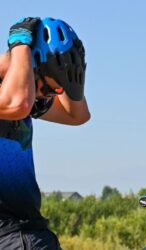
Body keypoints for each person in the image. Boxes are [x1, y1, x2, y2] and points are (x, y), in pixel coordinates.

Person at [0, 17, 90, 249]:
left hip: (22, 232)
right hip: (11, 235)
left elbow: (77, 115)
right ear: (30, 66)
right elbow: (17, 104)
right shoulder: (14, 98)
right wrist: (21, 45)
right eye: (48, 89)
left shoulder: (28, 95)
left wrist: (69, 74)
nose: (49, 97)